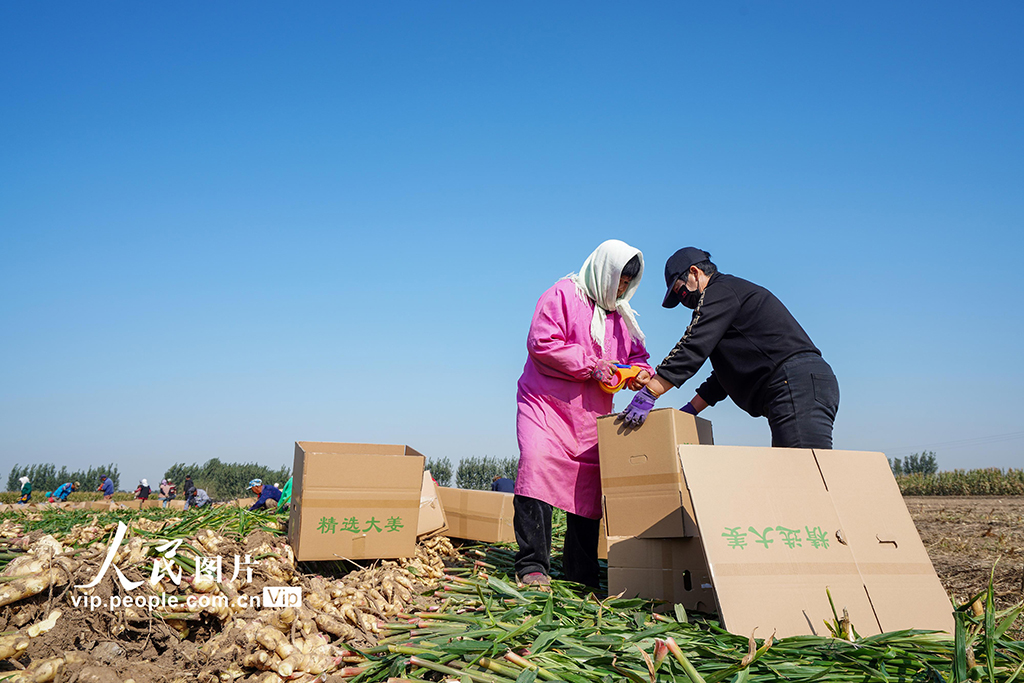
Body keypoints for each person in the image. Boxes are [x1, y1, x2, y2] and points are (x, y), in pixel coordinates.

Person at [513, 239, 653, 588]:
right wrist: (592, 365)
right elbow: (542, 343)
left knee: (586, 487)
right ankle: (532, 565)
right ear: (605, 271)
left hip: (589, 415)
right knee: (536, 463)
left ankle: (581, 572)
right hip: (545, 404)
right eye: (619, 279)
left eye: (627, 283)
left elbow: (638, 357)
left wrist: (639, 374)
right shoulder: (562, 295)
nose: (621, 288)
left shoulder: (622, 317)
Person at [620, 248, 840, 450]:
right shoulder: (727, 300)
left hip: (795, 385)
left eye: (681, 292)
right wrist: (691, 410)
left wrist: (651, 391)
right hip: (799, 385)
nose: (683, 300)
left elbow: (693, 345)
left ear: (695, 273)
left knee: (805, 477)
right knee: (802, 474)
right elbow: (725, 376)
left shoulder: (720, 291)